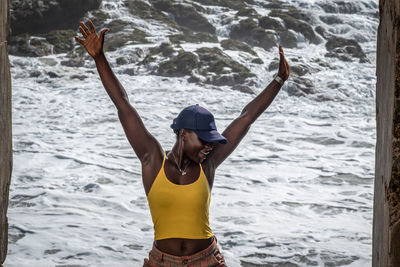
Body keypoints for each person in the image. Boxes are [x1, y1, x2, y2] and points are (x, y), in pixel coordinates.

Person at [75, 20, 290, 266]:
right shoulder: (152, 159)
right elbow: (122, 103)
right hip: (162, 262)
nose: (210, 145)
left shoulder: (208, 163)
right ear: (184, 134)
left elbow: (247, 116)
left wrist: (279, 80)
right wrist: (99, 57)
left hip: (206, 260)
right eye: (205, 140)